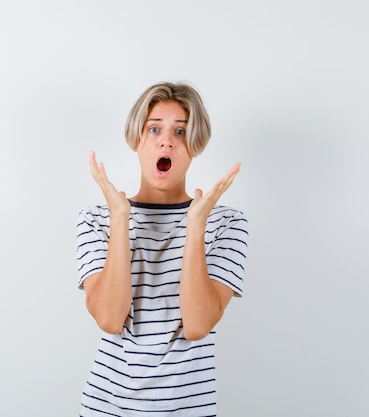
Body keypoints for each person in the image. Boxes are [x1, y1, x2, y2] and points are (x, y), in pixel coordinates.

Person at [75, 81, 249, 416]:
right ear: (136, 140)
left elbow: (197, 326)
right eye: (154, 128)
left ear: (195, 145)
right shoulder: (97, 219)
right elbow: (110, 319)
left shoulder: (226, 223)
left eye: (181, 132)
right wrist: (120, 218)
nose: (166, 139)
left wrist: (195, 226)